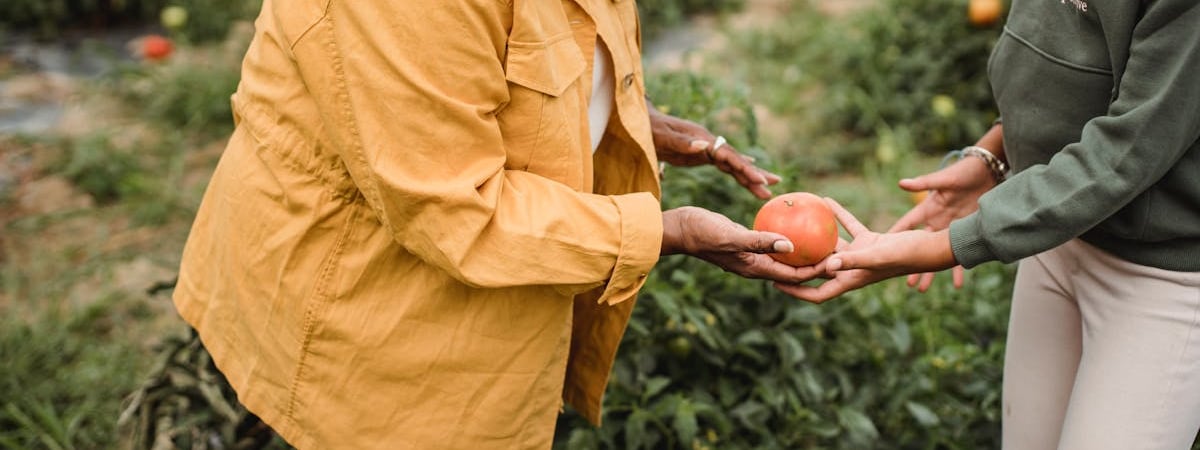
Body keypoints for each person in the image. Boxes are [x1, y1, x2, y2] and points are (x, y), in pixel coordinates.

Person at [172, 0, 820, 448]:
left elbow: (529, 49)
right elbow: (453, 208)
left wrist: (616, 112)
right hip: (373, 305)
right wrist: (666, 231)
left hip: (484, 289)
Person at [781, 1, 1200, 448]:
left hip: (1161, 276)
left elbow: (1134, 144)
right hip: (1058, 234)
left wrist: (953, 244)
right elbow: (1079, 59)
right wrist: (999, 152)